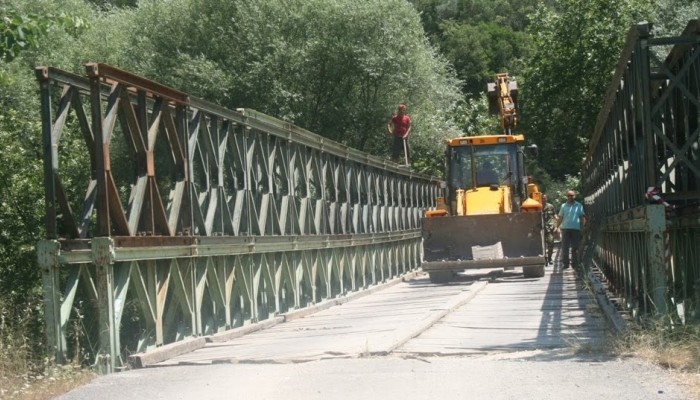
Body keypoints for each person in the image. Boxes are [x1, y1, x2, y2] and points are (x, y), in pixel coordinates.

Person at [556, 190, 587, 270]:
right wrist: (557, 227)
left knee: (575, 247)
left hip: (576, 229)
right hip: (565, 228)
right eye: (569, 195)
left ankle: (574, 264)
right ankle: (566, 264)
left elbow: (582, 217)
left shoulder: (579, 205)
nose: (570, 197)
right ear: (567, 196)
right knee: (565, 247)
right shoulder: (563, 206)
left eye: (572, 195)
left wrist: (582, 227)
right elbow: (560, 217)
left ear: (574, 196)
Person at [541, 194, 558, 265]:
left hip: (549, 228)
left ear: (547, 199)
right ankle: (544, 259)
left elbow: (554, 215)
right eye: (542, 198)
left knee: (551, 243)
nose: (543, 199)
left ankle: (549, 258)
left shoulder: (550, 206)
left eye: (545, 198)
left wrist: (556, 225)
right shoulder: (538, 206)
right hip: (540, 229)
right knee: (542, 245)